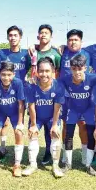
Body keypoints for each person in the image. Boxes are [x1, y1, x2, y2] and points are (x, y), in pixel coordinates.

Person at [22, 57, 65, 178]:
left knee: (56, 135)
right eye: (41, 71)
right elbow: (31, 106)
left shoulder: (58, 86)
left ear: (53, 72)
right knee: (33, 134)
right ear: (37, 72)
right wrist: (34, 125)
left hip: (52, 117)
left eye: (47, 71)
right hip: (38, 118)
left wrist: (55, 125)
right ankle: (32, 165)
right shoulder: (31, 86)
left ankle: (55, 165)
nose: (44, 74)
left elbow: (57, 108)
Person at [58, 54, 96, 173]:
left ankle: (88, 164)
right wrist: (35, 79)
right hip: (73, 109)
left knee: (90, 134)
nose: (77, 72)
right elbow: (52, 83)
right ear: (70, 68)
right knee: (68, 134)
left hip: (88, 110)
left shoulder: (93, 78)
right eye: (74, 69)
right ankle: (68, 164)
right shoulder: (65, 79)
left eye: (80, 68)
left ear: (85, 68)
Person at [0, 25, 31, 162]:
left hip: (20, 93)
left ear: (20, 37)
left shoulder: (26, 54)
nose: (13, 38)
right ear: (7, 37)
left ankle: (19, 153)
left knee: (18, 123)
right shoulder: (1, 54)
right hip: (4, 92)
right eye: (10, 35)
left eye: (15, 35)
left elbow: (34, 65)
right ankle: (2, 147)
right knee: (3, 123)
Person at [28, 24, 62, 165]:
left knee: (52, 129)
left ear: (51, 36)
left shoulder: (56, 53)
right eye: (41, 32)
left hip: (51, 90)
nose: (43, 35)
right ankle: (32, 162)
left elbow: (60, 70)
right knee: (36, 124)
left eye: (46, 33)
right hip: (37, 89)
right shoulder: (32, 51)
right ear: (38, 35)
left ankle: (50, 153)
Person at [58, 29, 90, 165]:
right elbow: (43, 46)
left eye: (76, 39)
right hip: (66, 97)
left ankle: (85, 155)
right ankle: (65, 155)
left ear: (81, 42)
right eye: (70, 40)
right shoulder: (62, 53)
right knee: (66, 125)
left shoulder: (88, 54)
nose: (73, 42)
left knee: (83, 126)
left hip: (83, 96)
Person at [0, 61, 26, 177]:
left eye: (9, 74)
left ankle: (17, 165)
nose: (6, 77)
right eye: (3, 74)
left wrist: (20, 123)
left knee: (19, 133)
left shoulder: (18, 83)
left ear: (13, 74)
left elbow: (21, 104)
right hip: (0, 111)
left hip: (15, 112)